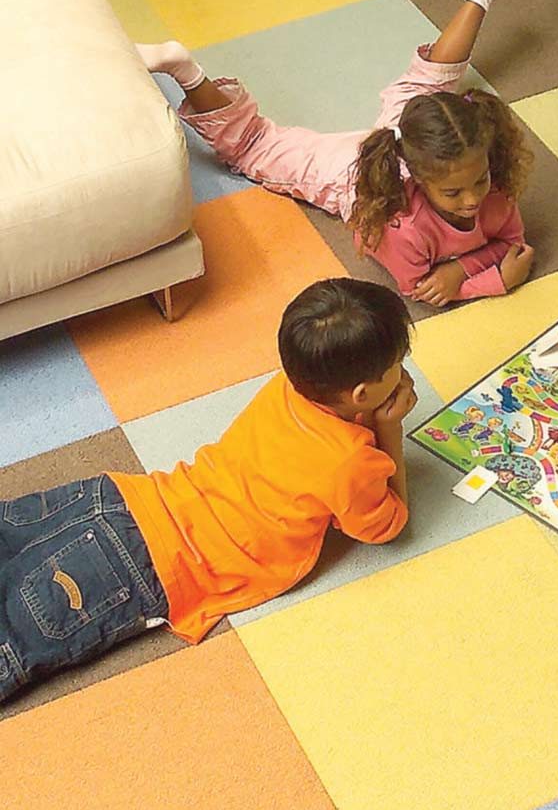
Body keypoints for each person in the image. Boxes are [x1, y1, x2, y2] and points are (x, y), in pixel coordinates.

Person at [0, 279, 416, 703]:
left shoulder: (287, 388)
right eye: (398, 364)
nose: (404, 370)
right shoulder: (351, 461)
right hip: (147, 566)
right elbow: (388, 525)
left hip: (120, 499)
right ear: (362, 393)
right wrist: (389, 427)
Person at [137, 0, 534, 307]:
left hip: (407, 133)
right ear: (420, 177)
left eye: (478, 180)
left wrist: (460, 268)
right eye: (453, 193)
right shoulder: (401, 226)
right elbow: (417, 288)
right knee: (255, 144)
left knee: (427, 83)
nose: (472, 200)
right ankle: (182, 68)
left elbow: (511, 240)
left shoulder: (492, 187)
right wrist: (489, 282)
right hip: (350, 172)